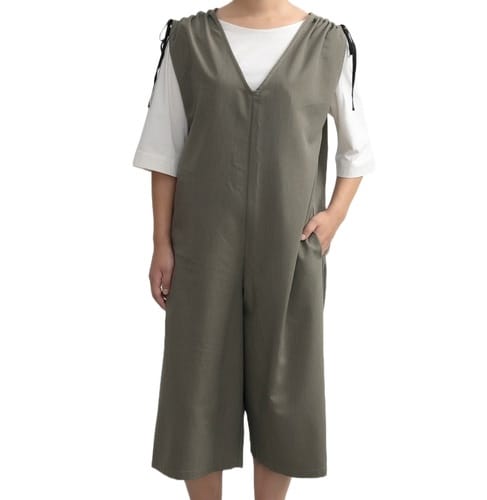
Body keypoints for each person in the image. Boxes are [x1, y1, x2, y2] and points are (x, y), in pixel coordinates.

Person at [132, 1, 375, 499]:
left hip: (291, 252)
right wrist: (161, 242)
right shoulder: (188, 41)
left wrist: (334, 217)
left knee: (283, 393)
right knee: (197, 385)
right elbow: (164, 149)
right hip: (201, 250)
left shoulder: (328, 44)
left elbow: (356, 150)